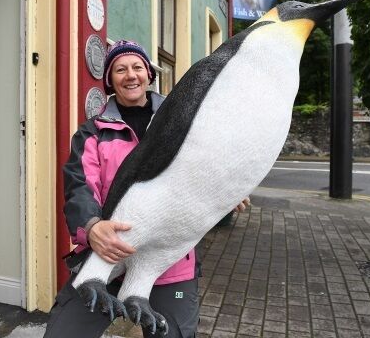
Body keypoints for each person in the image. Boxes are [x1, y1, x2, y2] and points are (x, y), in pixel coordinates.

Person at [44, 40, 250, 338]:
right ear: (110, 80)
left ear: (148, 75)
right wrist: (91, 228)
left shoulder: (185, 122)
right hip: (106, 258)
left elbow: (206, 171)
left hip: (170, 265)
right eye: (120, 69)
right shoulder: (93, 132)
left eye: (137, 67)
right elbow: (78, 187)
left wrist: (226, 193)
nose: (131, 75)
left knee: (174, 333)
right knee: (64, 333)